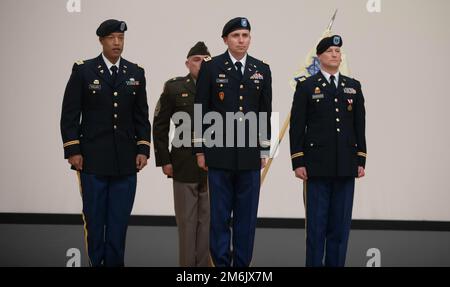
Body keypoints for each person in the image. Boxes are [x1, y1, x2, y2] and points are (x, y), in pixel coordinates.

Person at [60, 19, 151, 267]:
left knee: (119, 221)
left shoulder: (136, 73)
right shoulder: (84, 71)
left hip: (125, 161)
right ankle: (95, 262)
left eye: (121, 38)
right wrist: (73, 150)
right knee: (95, 218)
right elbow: (69, 114)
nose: (117, 43)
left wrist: (143, 148)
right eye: (111, 38)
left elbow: (141, 116)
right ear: (101, 40)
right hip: (92, 160)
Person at [193, 17, 272, 267]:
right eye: (236, 35)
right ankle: (221, 266)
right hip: (219, 153)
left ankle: (242, 267)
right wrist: (199, 148)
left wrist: (264, 148)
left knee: (246, 218)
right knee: (219, 216)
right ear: (226, 39)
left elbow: (264, 112)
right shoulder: (211, 67)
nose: (241, 40)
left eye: (245, 35)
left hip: (249, 155)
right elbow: (200, 109)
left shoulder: (262, 69)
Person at [289, 35, 367, 267]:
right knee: (316, 229)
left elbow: (359, 126)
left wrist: (360, 158)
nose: (335, 54)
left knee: (340, 229)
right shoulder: (306, 87)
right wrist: (298, 160)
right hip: (316, 167)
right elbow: (297, 127)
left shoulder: (353, 87)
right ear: (320, 56)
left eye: (338, 50)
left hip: (345, 166)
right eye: (330, 51)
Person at [152, 41, 211, 267]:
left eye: (206, 60)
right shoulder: (174, 88)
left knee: (208, 222)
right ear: (187, 64)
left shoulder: (220, 86)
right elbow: (160, 125)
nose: (202, 64)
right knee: (187, 223)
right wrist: (164, 160)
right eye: (197, 60)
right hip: (184, 162)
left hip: (213, 164)